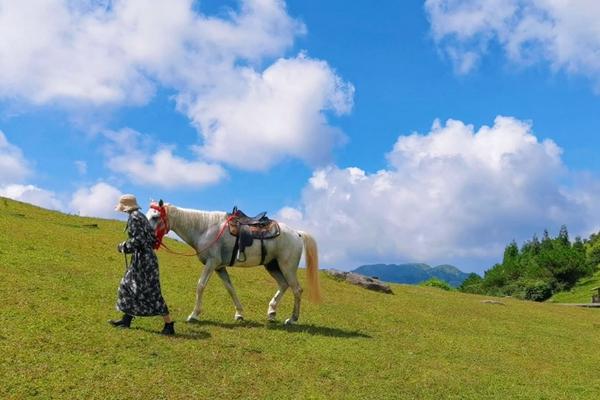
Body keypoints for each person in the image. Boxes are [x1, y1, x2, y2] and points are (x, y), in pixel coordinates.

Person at [109, 194, 175, 335]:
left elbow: (137, 240)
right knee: (128, 286)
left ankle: (169, 324)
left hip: (144, 261)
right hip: (146, 258)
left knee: (152, 292)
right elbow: (150, 236)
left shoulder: (134, 218)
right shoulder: (141, 216)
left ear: (125, 207)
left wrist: (123, 247)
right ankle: (126, 319)